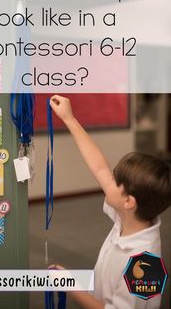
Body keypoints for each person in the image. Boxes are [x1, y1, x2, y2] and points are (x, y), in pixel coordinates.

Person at [49, 95, 171, 309]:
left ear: (128, 201)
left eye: (116, 181)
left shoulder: (146, 265)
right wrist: (69, 119)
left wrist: (70, 285)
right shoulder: (132, 218)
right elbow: (99, 167)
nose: (108, 180)